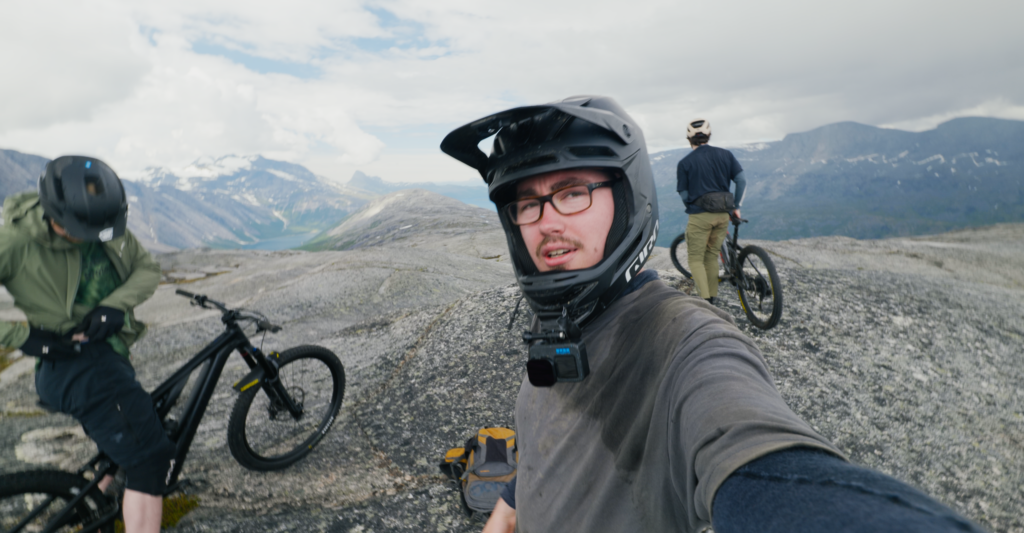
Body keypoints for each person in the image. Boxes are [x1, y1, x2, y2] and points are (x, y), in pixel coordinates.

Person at [441, 96, 985, 533]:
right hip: (729, 211)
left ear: (629, 199)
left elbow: (758, 457)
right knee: (715, 248)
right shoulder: (559, 324)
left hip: (701, 219)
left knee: (700, 258)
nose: (545, 222)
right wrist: (512, 502)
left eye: (571, 192)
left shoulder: (685, 344)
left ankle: (710, 294)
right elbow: (551, 443)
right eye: (526, 205)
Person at [0, 156, 174, 533]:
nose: (91, 236)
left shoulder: (101, 222)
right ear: (53, 212)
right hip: (77, 365)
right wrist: (23, 337)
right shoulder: (14, 241)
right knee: (150, 459)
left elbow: (146, 269)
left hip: (107, 356)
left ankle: (99, 500)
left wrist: (115, 305)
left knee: (126, 436)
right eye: (78, 229)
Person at [676, 118, 747, 304]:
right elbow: (741, 180)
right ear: (708, 135)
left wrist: (692, 206)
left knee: (696, 260)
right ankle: (712, 299)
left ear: (689, 139)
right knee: (711, 257)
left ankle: (705, 302)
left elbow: (684, 193)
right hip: (723, 215)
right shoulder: (726, 155)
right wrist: (736, 207)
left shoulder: (685, 163)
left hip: (700, 216)